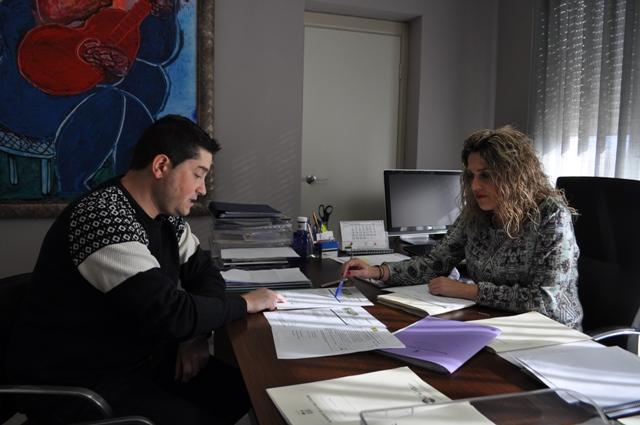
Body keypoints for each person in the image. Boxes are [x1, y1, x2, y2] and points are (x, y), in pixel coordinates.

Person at [6, 115, 284, 425]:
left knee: (243, 392)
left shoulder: (167, 218)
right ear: (161, 166)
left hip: (139, 357)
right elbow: (173, 314)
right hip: (81, 379)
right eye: (198, 174)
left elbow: (204, 274)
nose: (202, 189)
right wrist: (246, 303)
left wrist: (195, 336)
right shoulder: (104, 218)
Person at [341, 126, 584, 329]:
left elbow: (544, 300)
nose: (475, 186)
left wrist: (470, 291)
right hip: (493, 322)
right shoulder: (475, 214)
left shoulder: (551, 215)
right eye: (471, 175)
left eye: (486, 175)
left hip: (551, 334)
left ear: (515, 175)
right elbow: (434, 263)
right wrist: (378, 271)